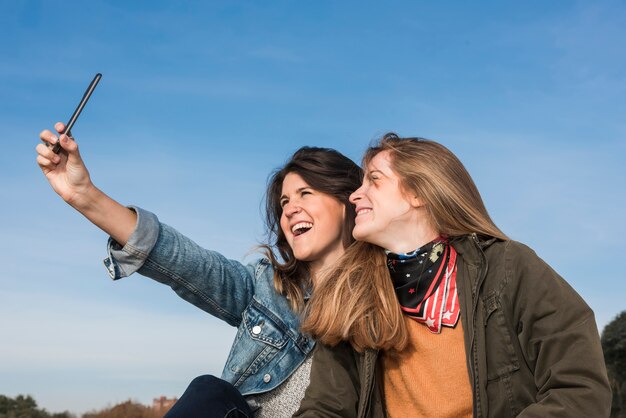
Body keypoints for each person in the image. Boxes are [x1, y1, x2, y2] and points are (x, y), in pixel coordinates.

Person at [35, 122, 363, 418]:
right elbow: (185, 262)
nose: (291, 209)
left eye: (306, 193)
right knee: (210, 392)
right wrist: (83, 194)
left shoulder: (389, 299)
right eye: (284, 203)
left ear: (349, 200)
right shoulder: (268, 289)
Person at [295, 133, 611, 417]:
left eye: (374, 180)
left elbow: (579, 389)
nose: (354, 196)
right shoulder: (349, 295)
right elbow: (324, 409)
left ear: (419, 192)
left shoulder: (508, 266)